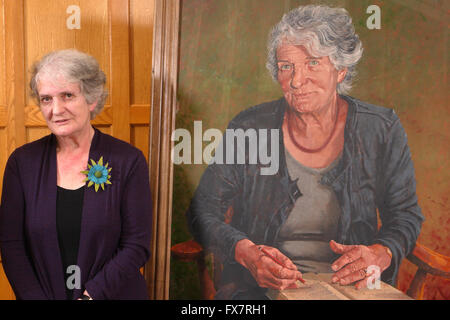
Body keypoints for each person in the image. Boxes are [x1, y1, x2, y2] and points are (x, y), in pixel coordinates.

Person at [186, 5, 424, 299]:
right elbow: (201, 213)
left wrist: (382, 252)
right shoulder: (249, 128)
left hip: (355, 291)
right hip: (259, 291)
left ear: (341, 69)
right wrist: (245, 252)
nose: (297, 81)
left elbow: (406, 216)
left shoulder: (381, 129)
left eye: (312, 63)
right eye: (287, 66)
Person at [0, 49, 152, 300]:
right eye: (46, 99)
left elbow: (136, 245)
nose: (56, 110)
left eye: (67, 96)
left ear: (91, 99)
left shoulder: (129, 161)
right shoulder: (21, 163)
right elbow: (11, 245)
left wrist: (91, 296)